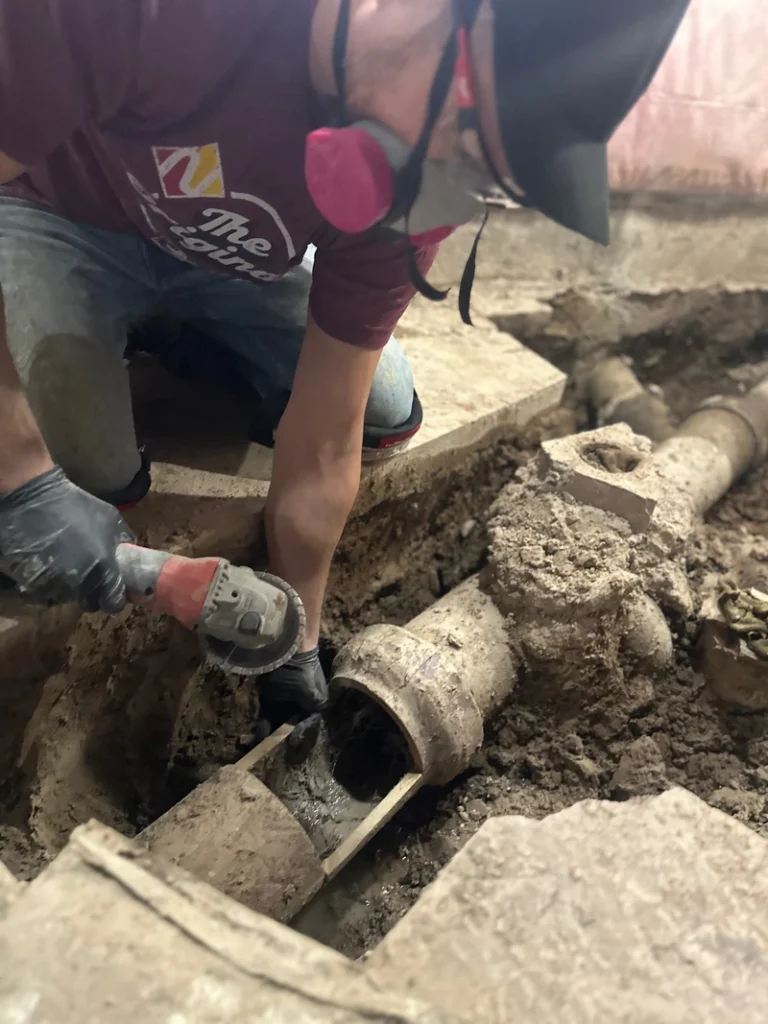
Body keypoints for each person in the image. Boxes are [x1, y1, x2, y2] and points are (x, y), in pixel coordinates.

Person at [0, 0, 688, 711]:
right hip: (57, 212)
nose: (443, 185)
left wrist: (295, 640)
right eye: (462, 133)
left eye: (483, 175)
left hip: (215, 244)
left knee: (381, 412)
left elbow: (327, 439)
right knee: (84, 473)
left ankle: (169, 334)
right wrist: (19, 473)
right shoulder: (166, 16)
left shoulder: (416, 179)